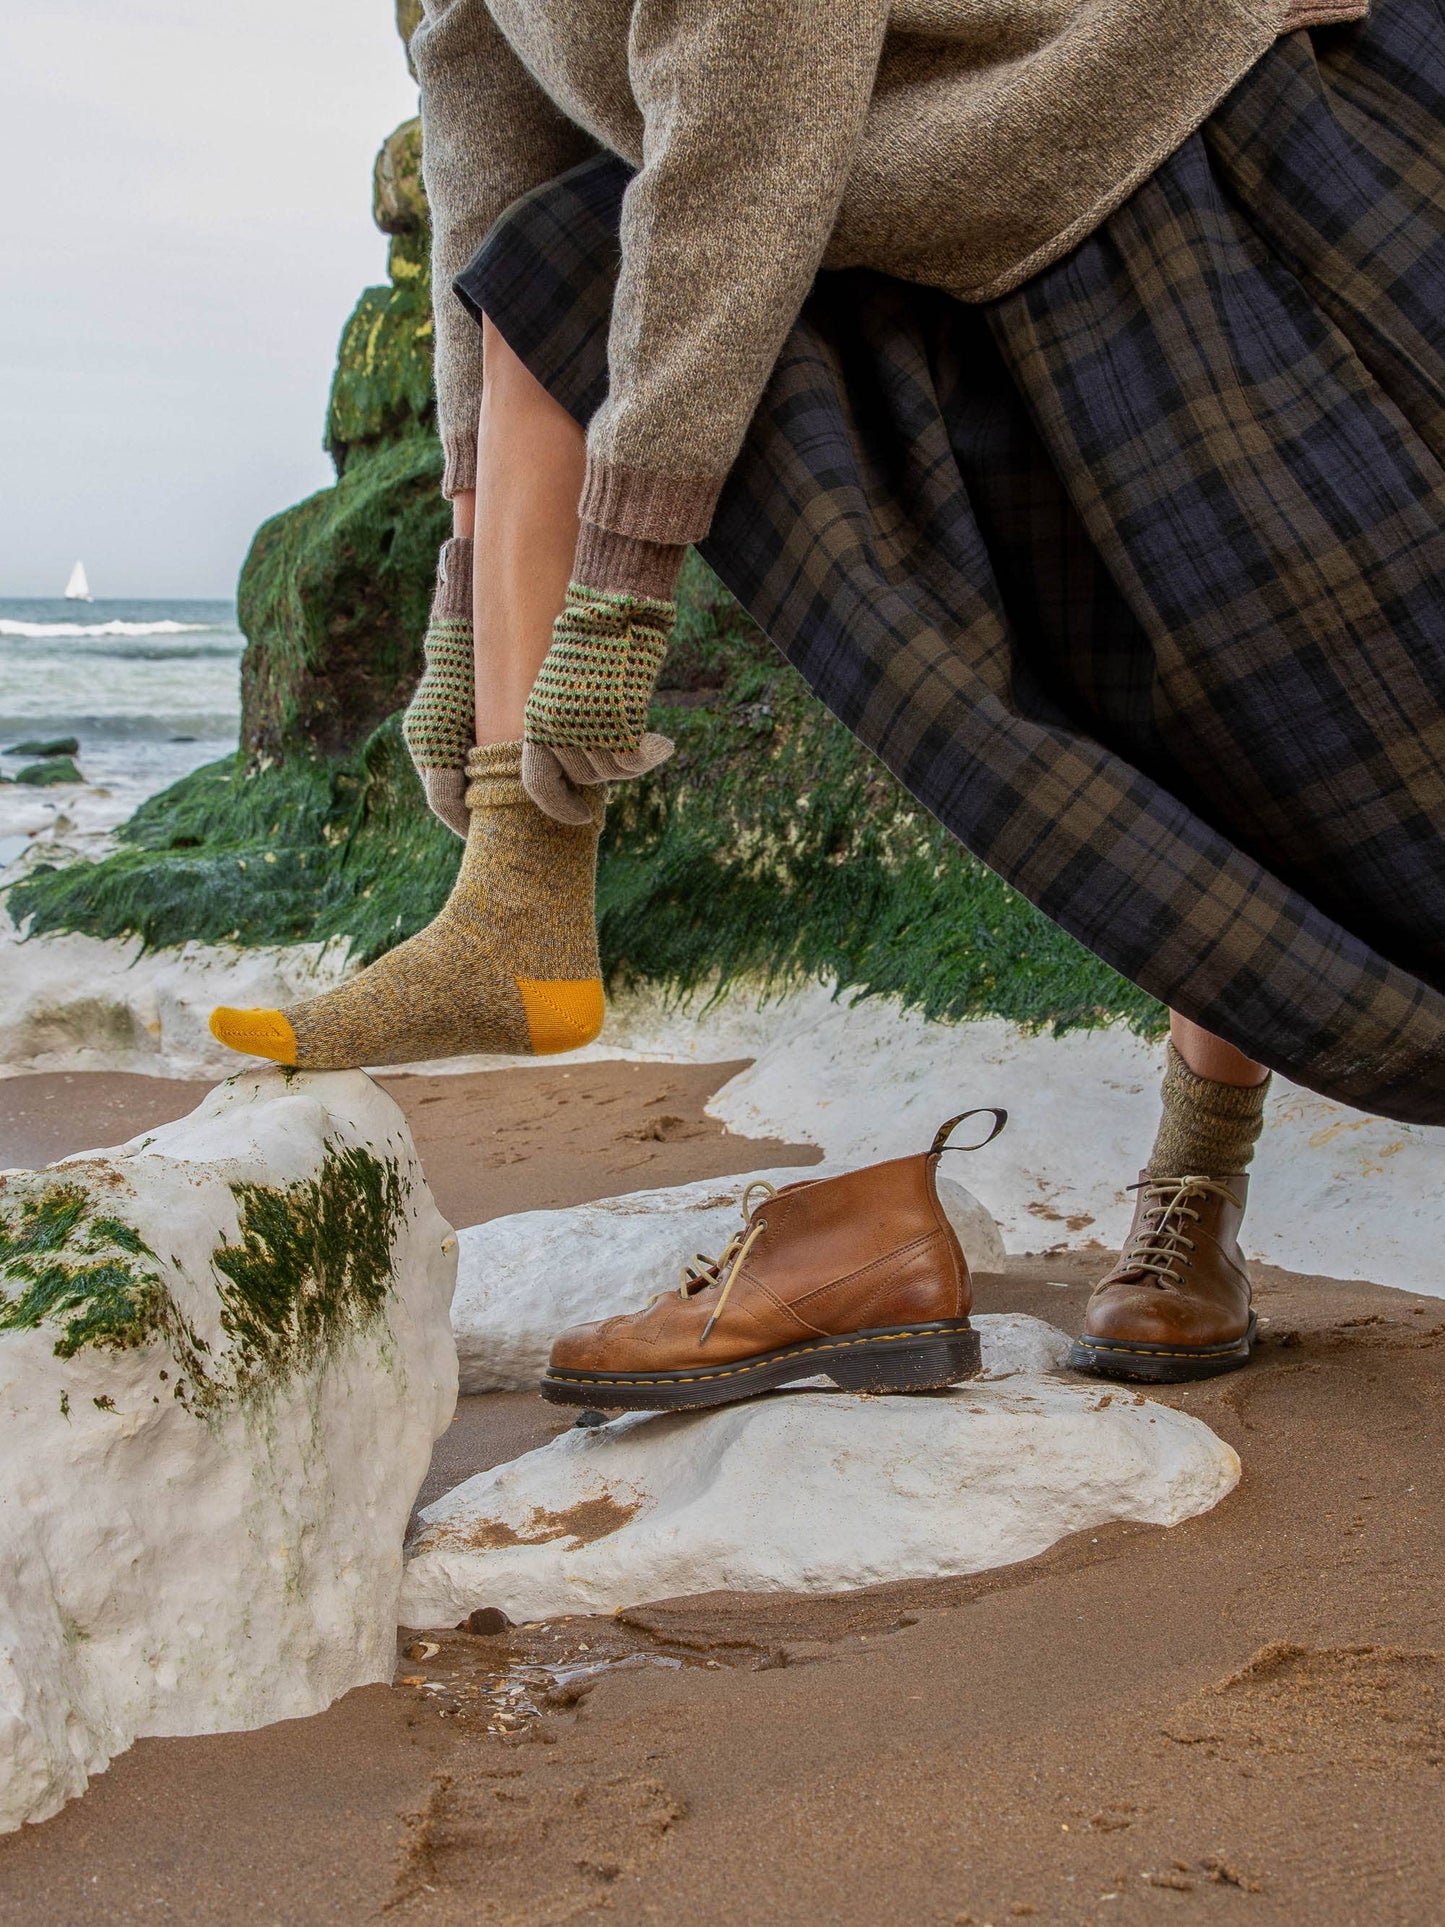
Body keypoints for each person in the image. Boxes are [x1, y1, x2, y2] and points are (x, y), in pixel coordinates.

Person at [211, 0, 1445, 1387]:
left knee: (1260, 695)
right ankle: (515, 906)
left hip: (1145, 122)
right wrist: (463, 614)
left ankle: (1194, 1183)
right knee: (544, 267)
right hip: (880, 184)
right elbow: (486, 151)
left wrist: (619, 591)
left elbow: (745, 122)